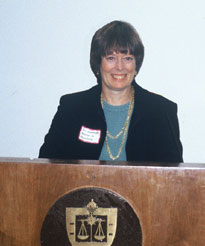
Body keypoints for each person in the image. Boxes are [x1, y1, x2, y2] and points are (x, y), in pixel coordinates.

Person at [39, 20, 183, 163]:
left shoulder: (161, 111)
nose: (119, 67)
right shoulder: (72, 108)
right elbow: (47, 168)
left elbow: (173, 178)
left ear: (136, 65)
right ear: (98, 64)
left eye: (127, 58)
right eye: (111, 58)